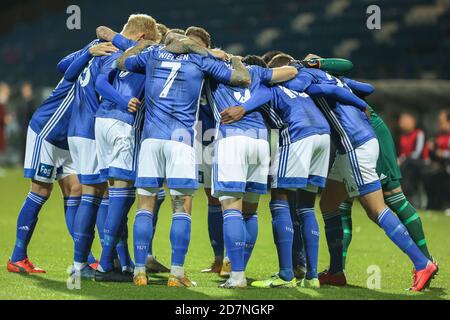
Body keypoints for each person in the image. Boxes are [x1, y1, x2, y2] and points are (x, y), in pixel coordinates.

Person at [277, 56, 437, 291]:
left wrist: (278, 80)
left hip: (355, 142)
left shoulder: (305, 78)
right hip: (354, 140)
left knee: (378, 208)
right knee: (329, 204)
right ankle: (336, 271)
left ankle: (422, 262)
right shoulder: (331, 77)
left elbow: (299, 87)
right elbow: (364, 87)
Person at [116, 32, 251, 287]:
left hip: (151, 139)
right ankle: (177, 274)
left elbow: (121, 62)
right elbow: (241, 78)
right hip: (181, 140)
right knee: (181, 206)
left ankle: (139, 272)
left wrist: (142, 44)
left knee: (145, 205)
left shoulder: (153, 54)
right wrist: (232, 58)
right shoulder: (200, 60)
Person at [7, 41, 116, 274]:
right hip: (46, 132)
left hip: (70, 138)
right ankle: (17, 256)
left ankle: (84, 260)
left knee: (76, 190)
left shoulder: (102, 66)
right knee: (41, 191)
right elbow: (62, 65)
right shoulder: (84, 65)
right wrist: (88, 50)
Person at [67, 14, 158, 281]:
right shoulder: (147, 53)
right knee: (119, 193)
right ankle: (106, 265)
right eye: (154, 38)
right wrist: (126, 101)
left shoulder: (113, 53)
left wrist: (118, 98)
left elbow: (100, 83)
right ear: (143, 37)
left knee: (101, 194)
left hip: (100, 123)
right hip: (121, 125)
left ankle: (113, 261)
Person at [208, 55, 298, 288]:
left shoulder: (215, 70)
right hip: (260, 141)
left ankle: (237, 276)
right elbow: (291, 72)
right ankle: (239, 270)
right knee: (250, 212)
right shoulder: (257, 73)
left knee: (230, 208)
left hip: (232, 138)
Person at [397, 111, 428, 201]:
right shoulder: (402, 136)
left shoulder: (419, 133)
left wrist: (403, 159)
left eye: (404, 121)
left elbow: (418, 153)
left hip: (421, 162)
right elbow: (401, 153)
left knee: (406, 168)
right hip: (407, 162)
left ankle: (410, 197)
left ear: (412, 121)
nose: (401, 123)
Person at [423, 109, 450, 210]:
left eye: (442, 122)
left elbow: (444, 154)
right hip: (443, 168)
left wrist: (441, 153)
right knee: (428, 175)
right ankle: (433, 206)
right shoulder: (439, 136)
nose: (440, 125)